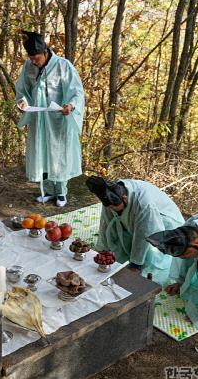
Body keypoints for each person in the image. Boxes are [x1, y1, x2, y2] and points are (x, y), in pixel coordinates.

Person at [15, 31, 85, 208]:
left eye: (36, 57)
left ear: (45, 52)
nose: (33, 61)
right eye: (30, 57)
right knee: (42, 154)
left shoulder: (63, 66)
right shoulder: (29, 66)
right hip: (39, 119)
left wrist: (70, 105)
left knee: (58, 156)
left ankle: (61, 193)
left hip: (58, 120)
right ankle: (47, 191)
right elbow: (22, 90)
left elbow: (76, 91)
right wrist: (22, 102)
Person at [85, 176, 184, 286]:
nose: (115, 211)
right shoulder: (110, 194)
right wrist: (104, 248)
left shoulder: (144, 203)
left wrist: (136, 264)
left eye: (119, 209)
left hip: (164, 223)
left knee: (150, 258)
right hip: (140, 221)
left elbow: (144, 233)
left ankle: (147, 270)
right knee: (119, 246)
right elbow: (106, 222)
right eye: (111, 208)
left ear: (125, 198)